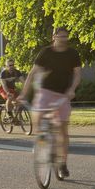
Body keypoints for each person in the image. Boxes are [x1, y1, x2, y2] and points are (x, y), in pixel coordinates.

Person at [19, 27, 81, 178]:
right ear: (54, 37)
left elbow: (78, 74)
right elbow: (32, 73)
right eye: (60, 36)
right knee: (38, 117)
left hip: (63, 94)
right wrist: (23, 94)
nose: (63, 39)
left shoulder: (73, 54)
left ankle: (62, 163)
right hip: (45, 92)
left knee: (63, 130)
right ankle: (43, 140)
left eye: (65, 37)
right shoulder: (45, 52)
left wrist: (72, 89)